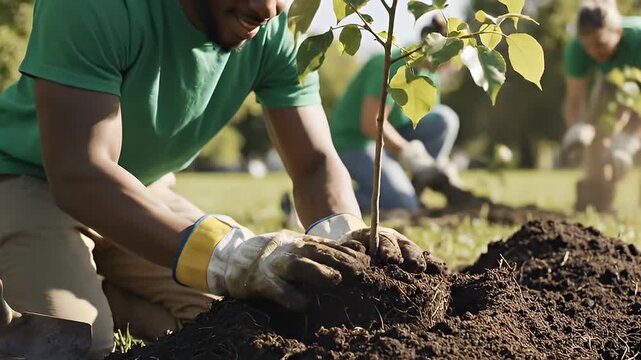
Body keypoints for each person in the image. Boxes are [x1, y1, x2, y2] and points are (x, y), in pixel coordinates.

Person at [0, 0, 435, 357]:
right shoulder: (98, 7)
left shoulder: (276, 27)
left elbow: (315, 162)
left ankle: (99, 287)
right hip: (30, 180)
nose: (268, 8)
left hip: (142, 190)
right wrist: (230, 255)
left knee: (249, 317)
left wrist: (343, 234)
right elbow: (80, 173)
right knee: (78, 345)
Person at [329, 14, 461, 212]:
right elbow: (370, 123)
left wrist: (440, 165)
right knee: (403, 205)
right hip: (354, 142)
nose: (451, 66)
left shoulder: (431, 76)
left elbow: (427, 125)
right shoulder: (390, 63)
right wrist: (412, 157)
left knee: (445, 120)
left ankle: (413, 190)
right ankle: (325, 200)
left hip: (389, 142)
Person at [561, 0, 641, 209]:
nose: (593, 52)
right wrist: (577, 128)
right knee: (598, 136)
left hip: (635, 77)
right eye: (587, 46)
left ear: (618, 31)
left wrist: (628, 141)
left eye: (600, 44)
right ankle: (597, 203)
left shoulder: (638, 38)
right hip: (614, 80)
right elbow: (575, 99)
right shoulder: (577, 48)